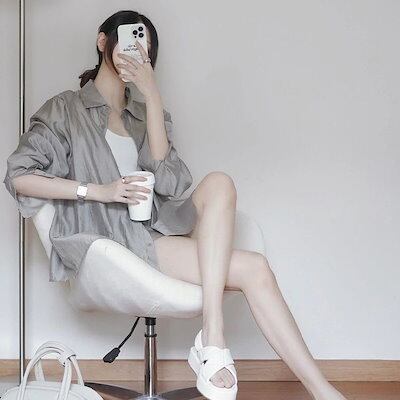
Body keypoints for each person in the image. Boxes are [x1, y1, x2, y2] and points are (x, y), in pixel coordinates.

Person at [3, 10, 348, 400]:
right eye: (130, 39)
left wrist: (152, 97)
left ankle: (225, 344)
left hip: (154, 231)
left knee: (220, 182)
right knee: (254, 268)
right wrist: (99, 191)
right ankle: (290, 377)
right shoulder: (65, 109)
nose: (137, 50)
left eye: (145, 45)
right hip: (112, 243)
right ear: (103, 41)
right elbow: (19, 176)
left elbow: (170, 183)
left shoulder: (144, 113)